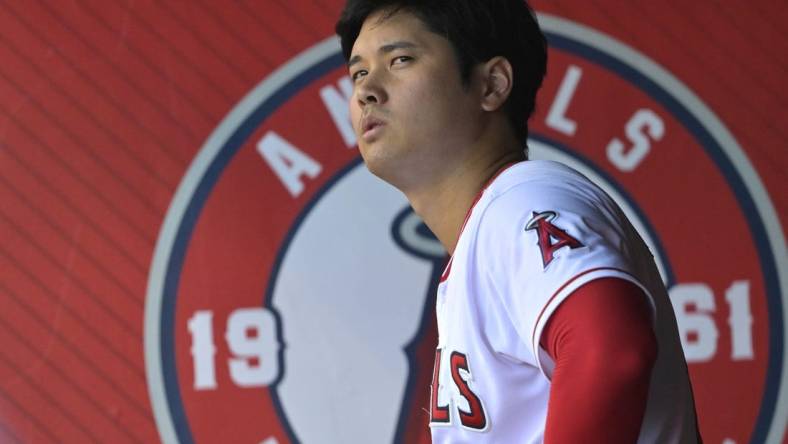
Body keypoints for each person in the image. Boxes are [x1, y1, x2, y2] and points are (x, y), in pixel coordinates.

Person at [336, 1, 701, 442]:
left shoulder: (521, 200)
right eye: (358, 73)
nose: (367, 90)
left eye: (400, 60)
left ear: (491, 85)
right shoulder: (485, 236)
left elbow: (608, 350)